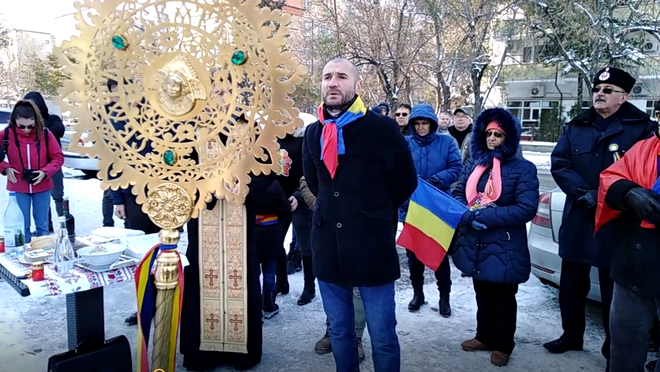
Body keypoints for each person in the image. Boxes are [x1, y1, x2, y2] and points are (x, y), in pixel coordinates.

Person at [302, 57, 417, 372]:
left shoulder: (382, 129)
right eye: (327, 77)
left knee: (382, 335)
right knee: (340, 330)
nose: (333, 83)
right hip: (328, 245)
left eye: (341, 76)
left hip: (372, 246)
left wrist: (372, 212)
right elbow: (316, 183)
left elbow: (406, 180)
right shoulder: (314, 132)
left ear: (357, 85)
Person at [546, 67, 657, 370]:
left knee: (614, 290)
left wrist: (611, 195)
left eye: (608, 90)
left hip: (618, 222)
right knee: (571, 284)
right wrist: (584, 192)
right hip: (580, 214)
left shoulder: (643, 128)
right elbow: (560, 163)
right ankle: (571, 335)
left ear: (624, 96)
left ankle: (613, 350)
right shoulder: (576, 125)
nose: (599, 94)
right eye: (597, 88)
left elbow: (646, 172)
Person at [452, 107, 539, 367]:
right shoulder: (476, 164)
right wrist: (467, 216)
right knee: (482, 293)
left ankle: (503, 344)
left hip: (505, 246)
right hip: (477, 242)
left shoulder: (523, 168)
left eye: (498, 134)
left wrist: (484, 217)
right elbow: (458, 194)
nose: (492, 139)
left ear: (508, 138)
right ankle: (484, 336)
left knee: (503, 297)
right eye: (489, 133)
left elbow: (526, 208)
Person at [593, 130, 660, 372]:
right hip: (634, 259)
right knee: (624, 339)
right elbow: (610, 177)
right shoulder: (643, 147)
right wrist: (628, 192)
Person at [397, 104, 462, 315]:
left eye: (424, 123)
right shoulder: (405, 144)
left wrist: (436, 180)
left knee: (439, 252)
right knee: (414, 254)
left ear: (432, 124)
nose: (421, 127)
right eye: (417, 124)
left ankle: (444, 296)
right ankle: (418, 293)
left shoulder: (446, 142)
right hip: (413, 206)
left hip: (437, 206)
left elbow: (456, 168)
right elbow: (396, 169)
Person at [300, 175, 367, 360]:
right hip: (327, 229)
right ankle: (333, 331)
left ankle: (356, 336)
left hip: (360, 226)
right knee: (334, 283)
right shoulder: (322, 145)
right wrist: (321, 205)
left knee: (357, 286)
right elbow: (305, 180)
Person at [0, 99, 64, 242]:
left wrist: (45, 172)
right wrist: (5, 167)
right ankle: (23, 258)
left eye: (30, 125)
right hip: (18, 186)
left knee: (43, 226)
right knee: (22, 226)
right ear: (14, 119)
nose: (27, 130)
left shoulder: (45, 134)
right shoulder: (6, 134)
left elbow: (58, 157)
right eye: (22, 126)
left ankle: (43, 254)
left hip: (42, 185)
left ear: (36, 119)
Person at [23, 91, 65, 233]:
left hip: (53, 164)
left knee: (58, 195)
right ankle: (46, 227)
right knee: (42, 198)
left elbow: (60, 130)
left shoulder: (52, 119)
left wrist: (41, 130)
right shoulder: (28, 123)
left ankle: (64, 225)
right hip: (37, 165)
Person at [252, 173, 291, 319]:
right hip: (271, 232)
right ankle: (268, 305)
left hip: (253, 233)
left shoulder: (246, 184)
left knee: (254, 274)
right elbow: (285, 211)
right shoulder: (274, 184)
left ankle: (255, 310)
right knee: (269, 273)